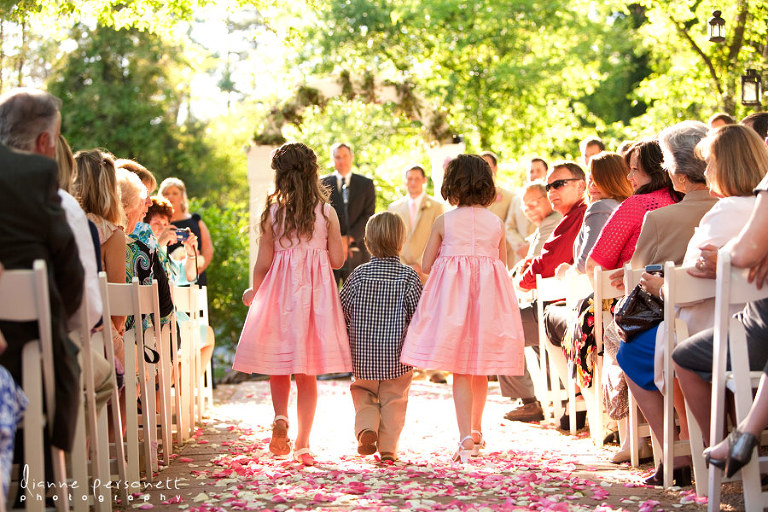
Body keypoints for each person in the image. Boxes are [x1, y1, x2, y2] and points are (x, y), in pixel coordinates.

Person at [232, 142, 351, 467]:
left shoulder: (273, 212)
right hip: (313, 302)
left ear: (280, 176)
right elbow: (338, 261)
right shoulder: (326, 212)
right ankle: (302, 445)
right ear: (313, 173)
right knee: (306, 372)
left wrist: (256, 294)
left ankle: (281, 416)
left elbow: (262, 264)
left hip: (279, 297)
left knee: (278, 365)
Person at [400, 154, 525, 463]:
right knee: (478, 367)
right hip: (487, 301)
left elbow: (427, 264)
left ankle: (465, 437)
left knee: (460, 369)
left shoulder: (444, 220)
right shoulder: (495, 222)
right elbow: (502, 264)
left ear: (451, 184)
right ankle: (478, 429)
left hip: (453, 304)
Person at [672, 125, 768, 455]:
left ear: (725, 166)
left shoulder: (728, 211)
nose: (706, 171)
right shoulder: (752, 206)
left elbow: (689, 283)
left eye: (710, 163)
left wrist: (661, 285)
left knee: (678, 353)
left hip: (741, 335)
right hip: (745, 327)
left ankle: (711, 444)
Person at [0, 142, 84, 454]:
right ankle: (43, 478)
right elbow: (71, 277)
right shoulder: (32, 174)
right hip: (23, 349)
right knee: (54, 359)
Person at [542, 152, 633, 433]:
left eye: (595, 178)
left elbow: (585, 262)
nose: (591, 183)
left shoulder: (599, 208)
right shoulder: (629, 205)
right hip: (626, 301)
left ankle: (586, 404)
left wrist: (570, 266)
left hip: (604, 308)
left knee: (550, 320)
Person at [502, 162, 587, 423]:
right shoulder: (568, 218)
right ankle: (559, 397)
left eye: (559, 184)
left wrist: (524, 275)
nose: (552, 191)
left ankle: (531, 400)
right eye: (549, 186)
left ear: (581, 186)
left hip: (563, 306)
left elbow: (545, 266)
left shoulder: (576, 217)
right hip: (560, 302)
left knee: (500, 326)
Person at [340, 212, 422, 462]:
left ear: (367, 241)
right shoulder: (408, 277)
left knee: (363, 393)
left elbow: (342, 311)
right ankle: (387, 448)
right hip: (397, 356)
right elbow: (420, 315)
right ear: (401, 241)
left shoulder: (358, 275)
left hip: (362, 355)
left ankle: (366, 428)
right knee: (394, 400)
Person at [320, 143, 376, 283]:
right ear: (333, 159)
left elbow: (368, 215)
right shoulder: (321, 183)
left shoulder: (366, 184)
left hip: (357, 250)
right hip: (328, 251)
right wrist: (337, 240)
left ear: (351, 157)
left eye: (345, 156)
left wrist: (348, 239)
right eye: (337, 157)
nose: (341, 161)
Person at [387, 164, 444, 282]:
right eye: (410, 179)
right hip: (399, 272)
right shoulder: (393, 208)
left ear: (424, 180)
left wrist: (420, 264)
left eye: (417, 179)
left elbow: (439, 239)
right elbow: (390, 239)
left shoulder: (436, 207)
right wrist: (403, 265)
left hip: (426, 271)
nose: (413, 182)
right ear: (405, 181)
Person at [159, 177, 213, 287]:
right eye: (166, 193)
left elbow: (207, 250)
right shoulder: (158, 224)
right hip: (168, 282)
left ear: (182, 197)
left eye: (175, 193)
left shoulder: (196, 222)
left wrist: (194, 273)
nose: (170, 196)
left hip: (195, 281)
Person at [481, 151, 532, 268]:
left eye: (487, 166)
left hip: (503, 259)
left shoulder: (511, 197)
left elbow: (513, 227)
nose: (483, 171)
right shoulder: (470, 200)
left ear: (495, 168)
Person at [145, 196, 200, 285]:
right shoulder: (138, 247)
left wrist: (191, 254)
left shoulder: (164, 254)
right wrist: (160, 243)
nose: (162, 228)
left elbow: (189, 276)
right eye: (156, 223)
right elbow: (144, 266)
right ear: (145, 225)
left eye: (165, 224)